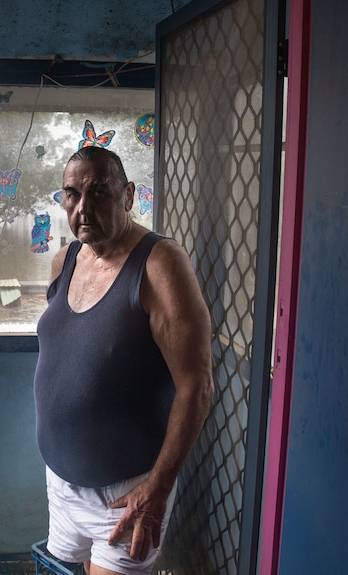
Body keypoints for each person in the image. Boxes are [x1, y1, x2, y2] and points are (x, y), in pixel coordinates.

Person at [34, 146, 213, 575]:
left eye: (99, 192)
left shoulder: (160, 264)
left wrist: (158, 489)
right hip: (60, 481)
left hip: (125, 497)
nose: (83, 207)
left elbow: (197, 386)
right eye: (72, 195)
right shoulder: (66, 259)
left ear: (129, 195)